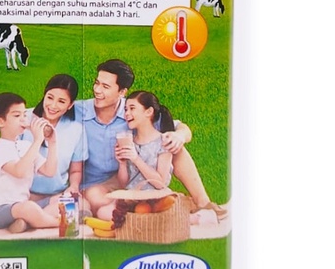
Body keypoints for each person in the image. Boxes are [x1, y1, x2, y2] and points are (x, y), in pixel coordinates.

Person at [78, 59, 226, 220]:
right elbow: (57, 108)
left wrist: (179, 136)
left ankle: (202, 202)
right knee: (95, 197)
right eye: (97, 83)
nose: (97, 90)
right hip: (100, 183)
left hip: (131, 173)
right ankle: (154, 210)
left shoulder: (132, 111)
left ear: (122, 92)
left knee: (173, 145)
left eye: (105, 86)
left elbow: (181, 127)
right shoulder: (79, 110)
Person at [0, 92, 63, 234]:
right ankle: (60, 223)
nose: (23, 119)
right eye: (17, 116)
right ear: (0, 121)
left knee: (60, 199)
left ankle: (25, 222)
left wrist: (52, 143)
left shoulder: (25, 146)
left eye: (24, 115)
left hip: (21, 205)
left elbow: (49, 171)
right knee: (28, 208)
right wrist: (38, 140)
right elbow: (19, 171)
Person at [96, 91, 174, 222]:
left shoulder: (163, 141)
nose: (127, 113)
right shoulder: (129, 140)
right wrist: (121, 163)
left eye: (132, 108)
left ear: (148, 112)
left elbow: (160, 183)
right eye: (126, 109)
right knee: (103, 212)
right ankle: (140, 220)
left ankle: (140, 220)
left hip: (155, 196)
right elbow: (124, 183)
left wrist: (135, 159)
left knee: (156, 209)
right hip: (132, 197)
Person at [23, 74, 86, 200]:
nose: (53, 105)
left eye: (61, 101)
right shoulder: (24, 118)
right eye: (50, 98)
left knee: (79, 206)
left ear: (70, 105)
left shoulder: (76, 129)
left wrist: (74, 186)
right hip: (22, 193)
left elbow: (76, 170)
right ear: (44, 95)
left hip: (56, 195)